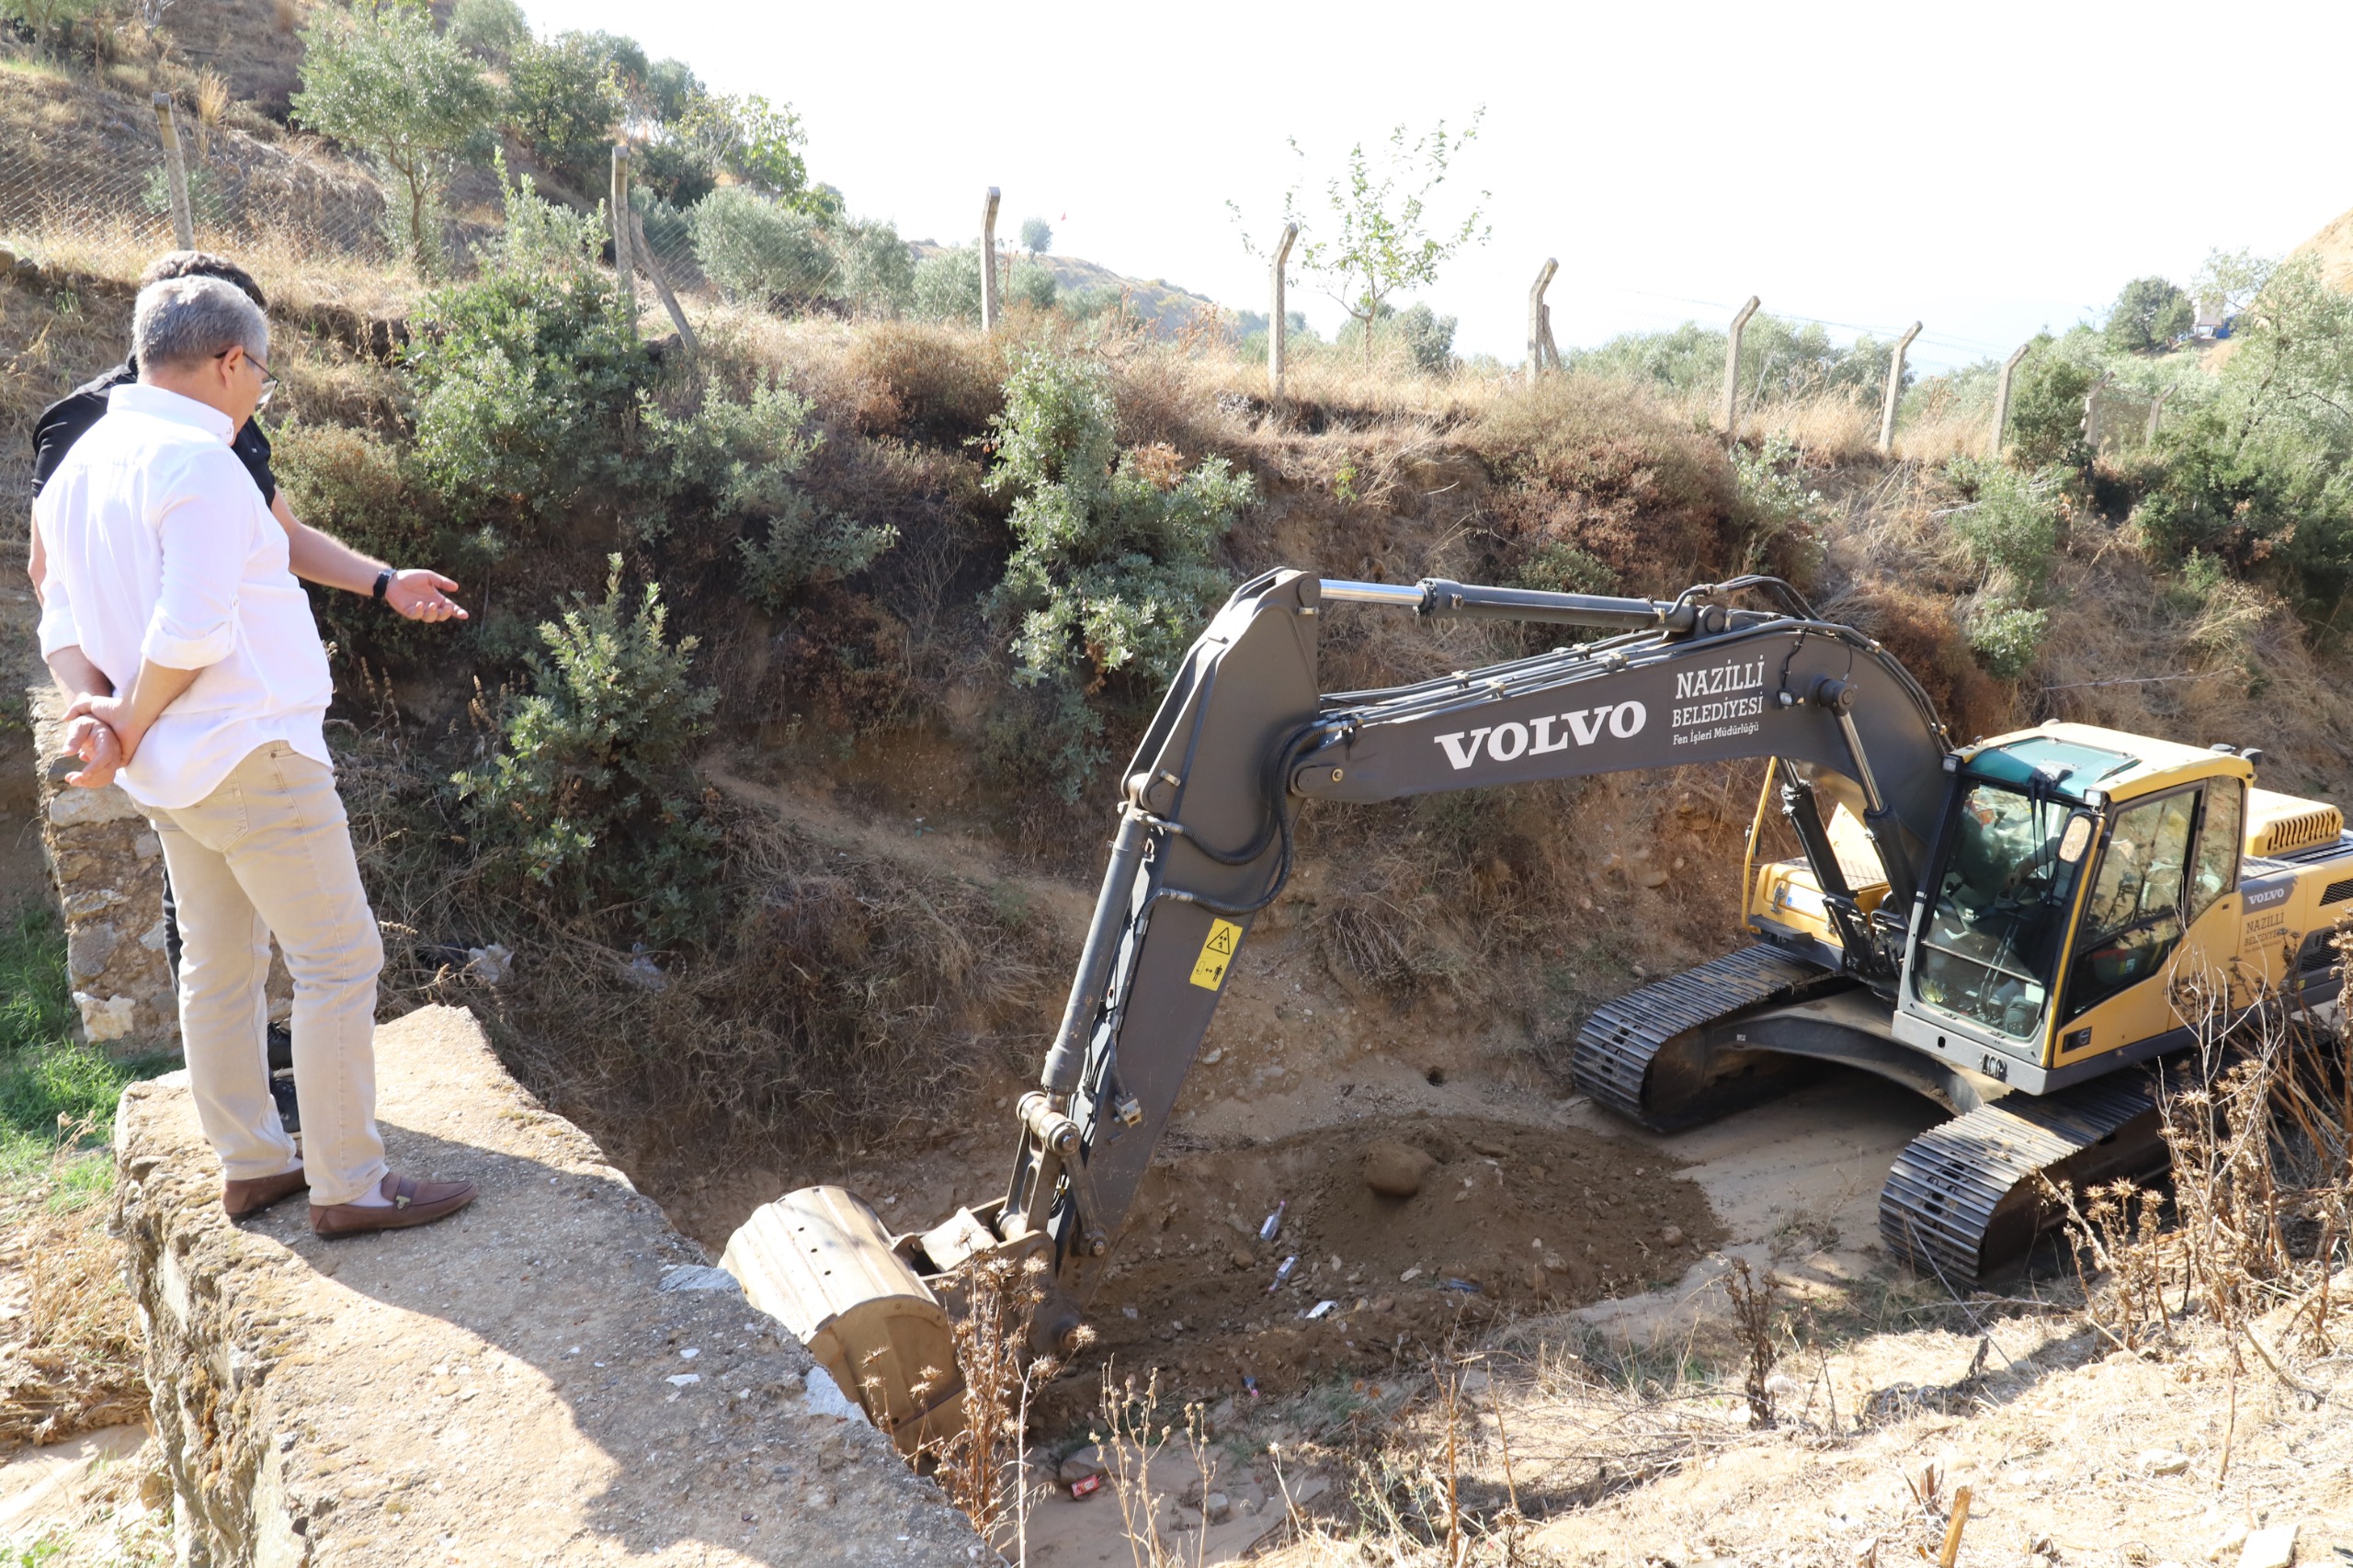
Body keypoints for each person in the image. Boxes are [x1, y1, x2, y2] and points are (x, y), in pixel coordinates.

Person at [36, 274, 474, 1237]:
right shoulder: (200, 462)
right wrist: (132, 718)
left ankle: (252, 1163)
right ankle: (350, 1181)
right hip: (251, 748)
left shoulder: (79, 461)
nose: (259, 397)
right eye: (263, 378)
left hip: (174, 779)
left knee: (219, 961)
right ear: (232, 361)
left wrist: (99, 711)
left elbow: (58, 613)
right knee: (338, 958)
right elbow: (190, 630)